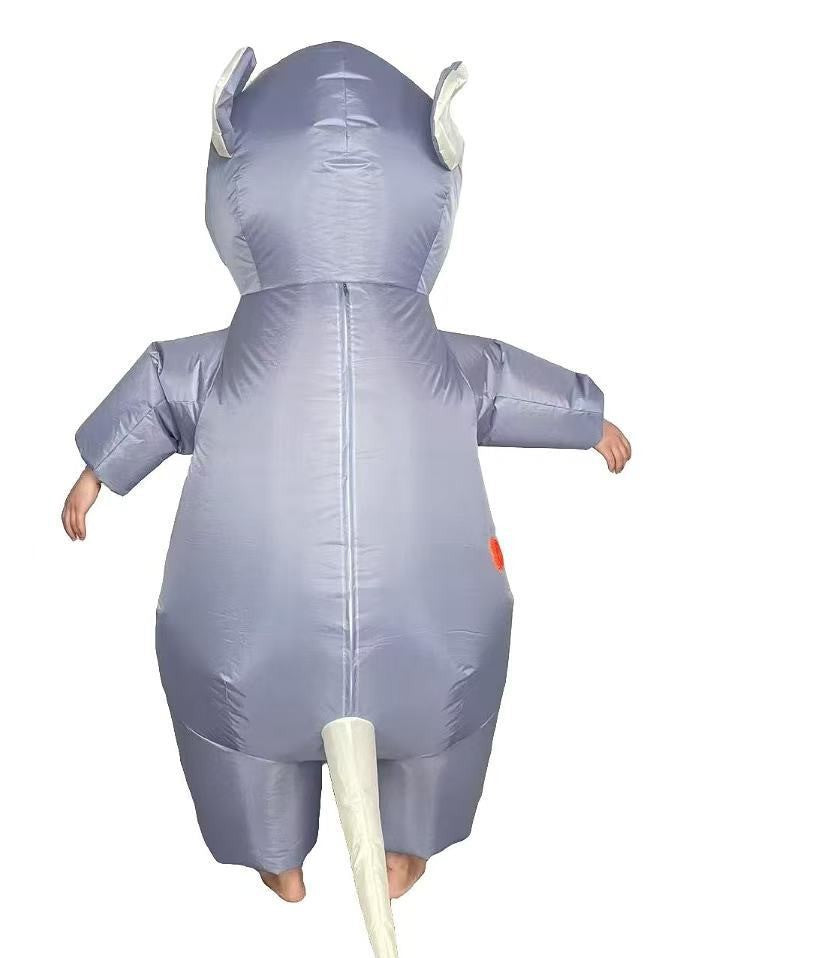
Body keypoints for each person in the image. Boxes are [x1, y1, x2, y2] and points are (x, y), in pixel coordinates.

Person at [62, 41, 630, 955]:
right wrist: (587, 416)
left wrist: (99, 469)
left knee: (233, 712)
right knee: (449, 696)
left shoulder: (229, 359)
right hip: (432, 621)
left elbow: (161, 386)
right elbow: (499, 379)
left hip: (248, 625)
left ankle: (273, 851)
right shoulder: (433, 354)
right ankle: (411, 840)